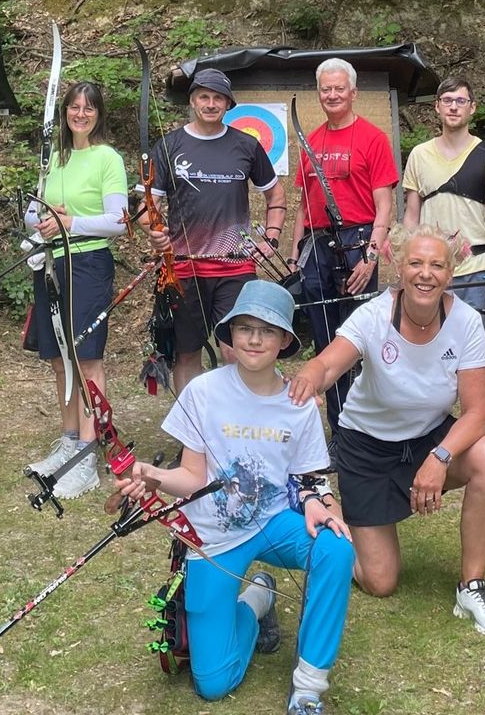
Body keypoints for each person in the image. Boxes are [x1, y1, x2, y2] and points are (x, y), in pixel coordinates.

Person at [114, 280, 355, 715]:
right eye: (245, 328)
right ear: (230, 336)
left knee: (337, 548)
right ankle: (258, 600)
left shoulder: (299, 400)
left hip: (277, 523)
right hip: (215, 540)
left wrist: (319, 500)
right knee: (212, 683)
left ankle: (309, 683)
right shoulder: (203, 392)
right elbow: (191, 476)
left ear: (285, 340)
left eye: (268, 330)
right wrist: (154, 476)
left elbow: (309, 477)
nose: (255, 339)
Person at [289, 224, 485, 638]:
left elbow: (477, 412)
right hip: (367, 449)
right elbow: (329, 363)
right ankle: (332, 511)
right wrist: (308, 378)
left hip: (428, 439)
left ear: (450, 274)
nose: (425, 273)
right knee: (381, 581)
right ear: (398, 267)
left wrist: (440, 457)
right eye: (415, 263)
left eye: (436, 265)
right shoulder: (375, 315)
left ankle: (472, 586)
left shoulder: (465, 322)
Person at [143, 68, 287, 393]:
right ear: (193, 101)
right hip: (183, 267)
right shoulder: (170, 145)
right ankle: (192, 433)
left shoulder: (246, 146)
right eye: (204, 97)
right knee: (187, 352)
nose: (210, 104)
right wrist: (155, 231)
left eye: (218, 98)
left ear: (228, 104)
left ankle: (237, 425)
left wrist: (271, 237)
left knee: (236, 350)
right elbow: (146, 206)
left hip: (236, 266)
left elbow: (275, 195)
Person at [22, 81, 128, 499]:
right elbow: (33, 210)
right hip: (51, 263)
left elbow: (119, 220)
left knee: (86, 360)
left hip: (86, 263)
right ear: (64, 111)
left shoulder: (107, 158)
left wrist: (71, 223)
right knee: (57, 358)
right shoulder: (54, 159)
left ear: (99, 113)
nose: (80, 114)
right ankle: (69, 441)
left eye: (88, 108)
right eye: (73, 107)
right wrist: (45, 219)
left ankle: (86, 454)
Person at [291, 57, 398, 433]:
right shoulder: (312, 141)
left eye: (339, 88)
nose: (332, 95)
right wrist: (294, 257)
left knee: (358, 337)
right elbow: (304, 206)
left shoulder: (372, 138)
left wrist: (370, 257)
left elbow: (385, 205)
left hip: (358, 241)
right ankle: (338, 429)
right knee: (325, 340)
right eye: (325, 89)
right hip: (317, 246)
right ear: (318, 94)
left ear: (353, 92)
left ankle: (364, 427)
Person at [402, 77, 485, 325]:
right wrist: (406, 264)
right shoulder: (419, 154)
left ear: (472, 107)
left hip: (477, 272)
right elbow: (411, 216)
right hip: (430, 273)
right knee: (429, 352)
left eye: (460, 101)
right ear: (437, 107)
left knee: (479, 356)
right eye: (447, 100)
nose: (453, 107)